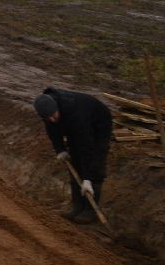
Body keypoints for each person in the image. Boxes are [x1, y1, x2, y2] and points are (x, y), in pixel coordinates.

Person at [35, 87, 112, 224]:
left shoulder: (76, 113)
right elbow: (52, 130)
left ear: (57, 107)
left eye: (53, 115)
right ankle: (77, 206)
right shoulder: (47, 110)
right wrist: (60, 149)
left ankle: (90, 210)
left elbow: (86, 147)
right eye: (48, 118)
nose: (52, 119)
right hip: (73, 127)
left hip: (98, 127)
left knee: (95, 163)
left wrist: (87, 178)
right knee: (74, 161)